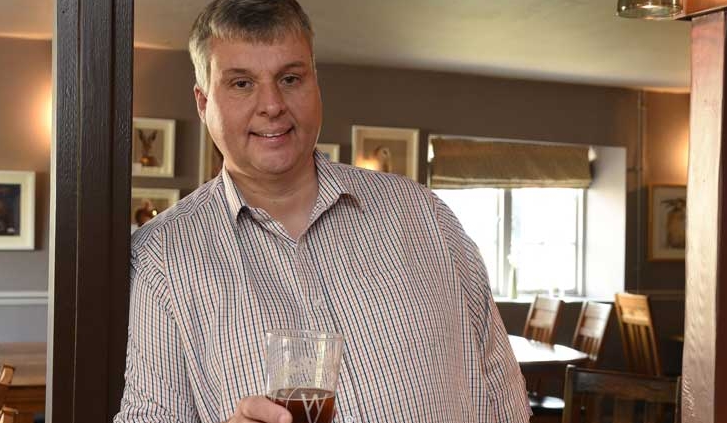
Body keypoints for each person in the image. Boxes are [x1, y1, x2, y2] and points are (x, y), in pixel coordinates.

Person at [113, 0, 530, 422]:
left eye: (290, 78)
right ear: (204, 103)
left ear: (316, 86)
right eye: (241, 84)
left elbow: (502, 393)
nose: (272, 104)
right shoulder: (160, 258)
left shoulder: (425, 217)